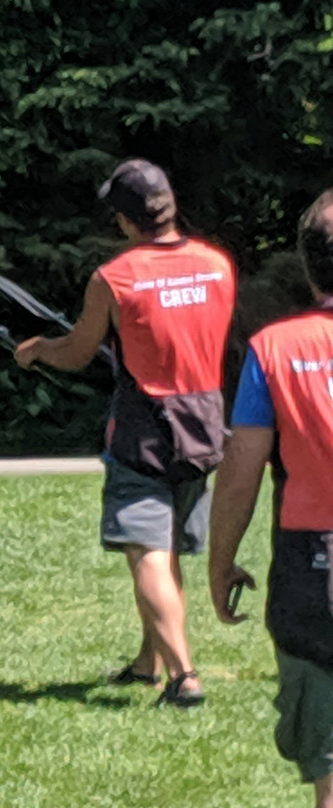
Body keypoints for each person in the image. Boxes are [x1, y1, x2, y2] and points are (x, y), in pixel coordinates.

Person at [14, 159, 236, 706]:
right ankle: (147, 664)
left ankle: (184, 676)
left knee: (148, 553)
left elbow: (78, 352)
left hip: (144, 428)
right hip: (205, 422)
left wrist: (39, 350)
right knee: (164, 550)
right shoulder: (217, 265)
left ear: (124, 220)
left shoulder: (114, 278)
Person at [209, 189, 333, 806]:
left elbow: (241, 469)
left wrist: (219, 561)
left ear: (309, 268)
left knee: (327, 758)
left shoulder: (274, 350)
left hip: (311, 568)